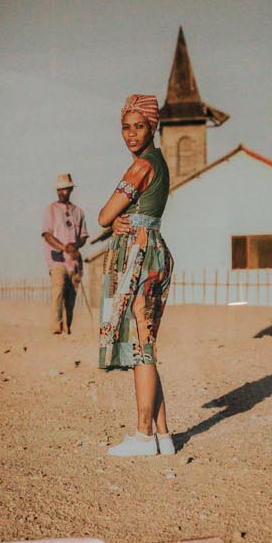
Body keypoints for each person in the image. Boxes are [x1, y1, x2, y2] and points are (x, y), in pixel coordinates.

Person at [97, 93, 176, 457]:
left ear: (152, 127)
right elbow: (114, 218)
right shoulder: (157, 162)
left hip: (141, 255)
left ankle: (144, 436)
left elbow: (103, 214)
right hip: (149, 249)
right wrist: (116, 220)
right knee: (144, 344)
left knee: (142, 345)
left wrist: (112, 218)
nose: (131, 134)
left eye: (139, 126)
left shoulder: (143, 165)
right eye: (126, 127)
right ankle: (163, 435)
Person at [41, 173, 87, 336]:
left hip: (73, 261)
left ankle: (68, 327)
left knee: (71, 296)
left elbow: (83, 236)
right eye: (59, 190)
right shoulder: (50, 210)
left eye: (65, 189)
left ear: (70, 190)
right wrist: (63, 247)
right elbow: (47, 235)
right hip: (57, 259)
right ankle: (56, 328)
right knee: (58, 291)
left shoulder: (78, 212)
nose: (62, 192)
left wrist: (75, 246)